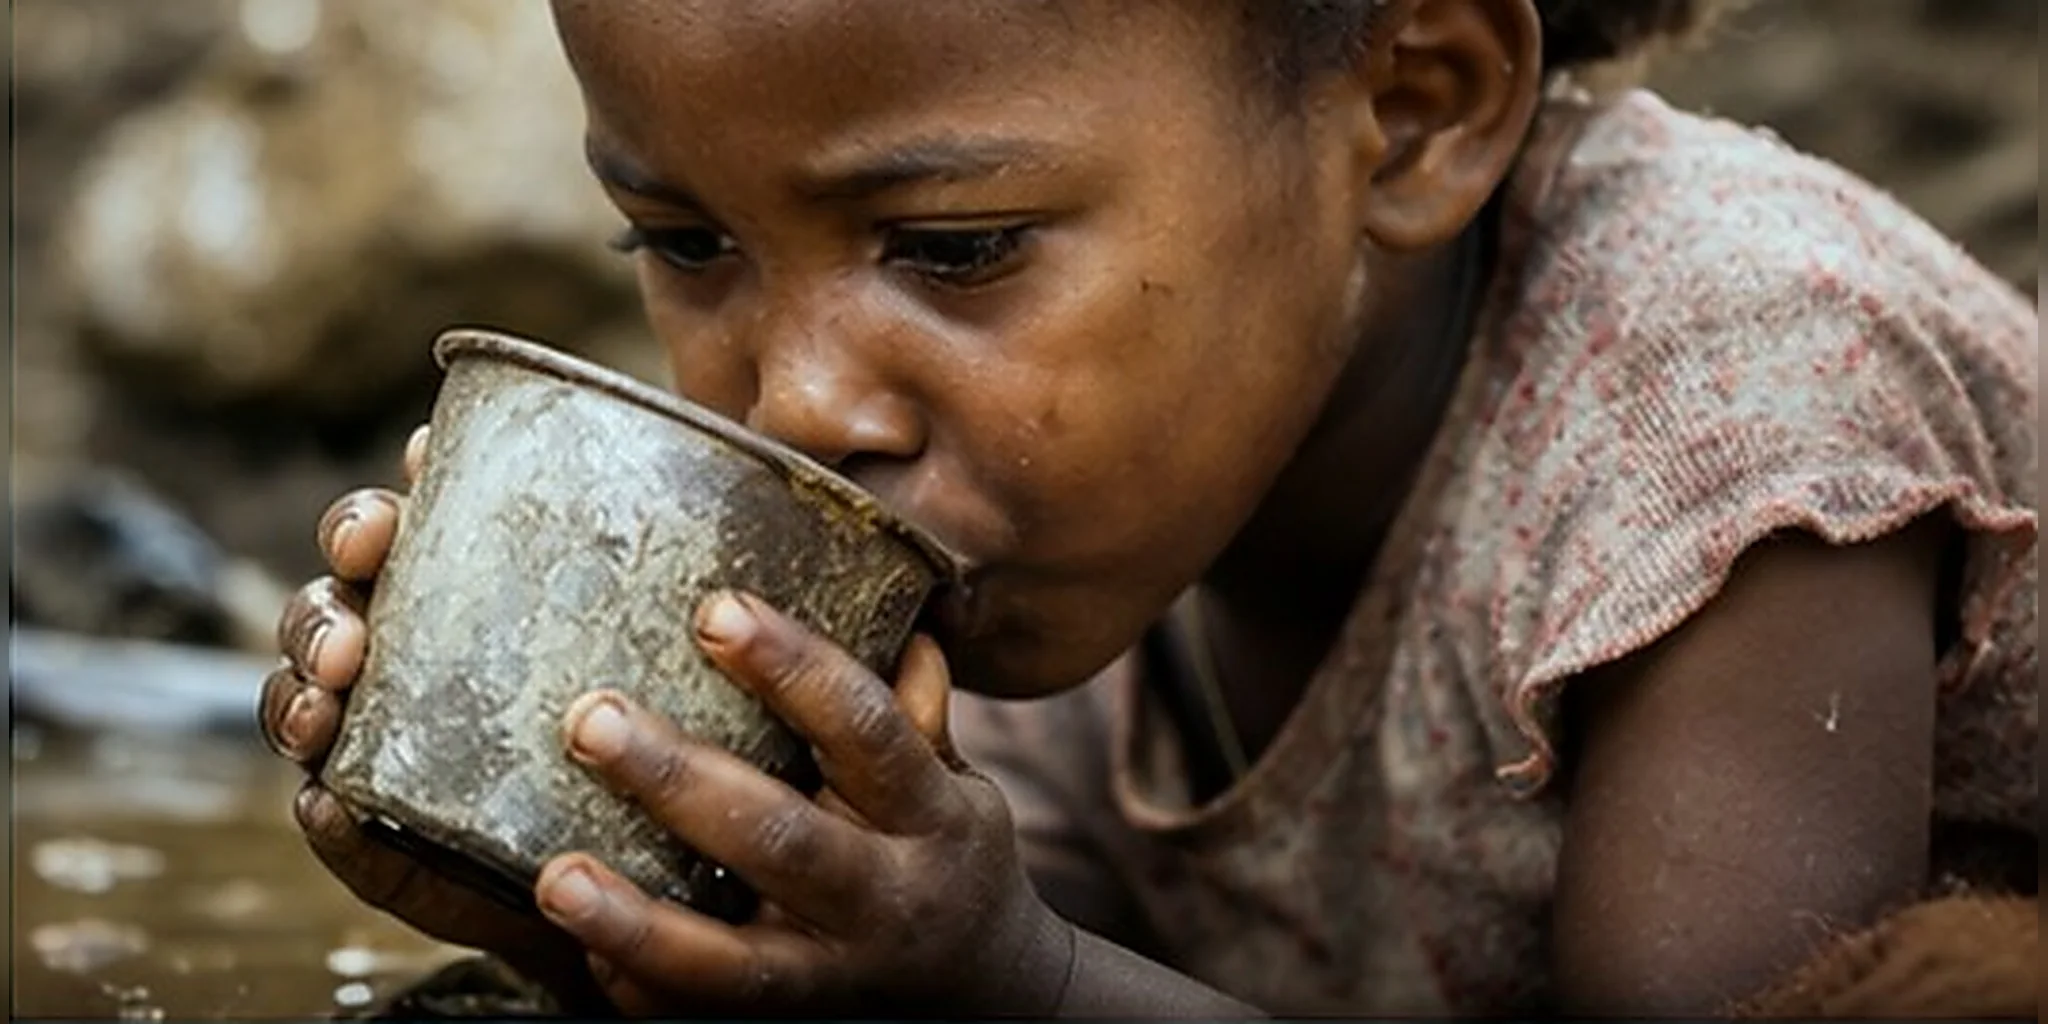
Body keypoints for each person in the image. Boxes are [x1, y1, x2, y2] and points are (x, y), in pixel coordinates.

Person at [257, 0, 2039, 1016]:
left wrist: (1011, 994)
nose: (798, 401)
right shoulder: (1108, 485)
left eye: (952, 250)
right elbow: (1046, 919)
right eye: (684, 241)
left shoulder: (1734, 416)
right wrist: (656, 922)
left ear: (1414, 114)